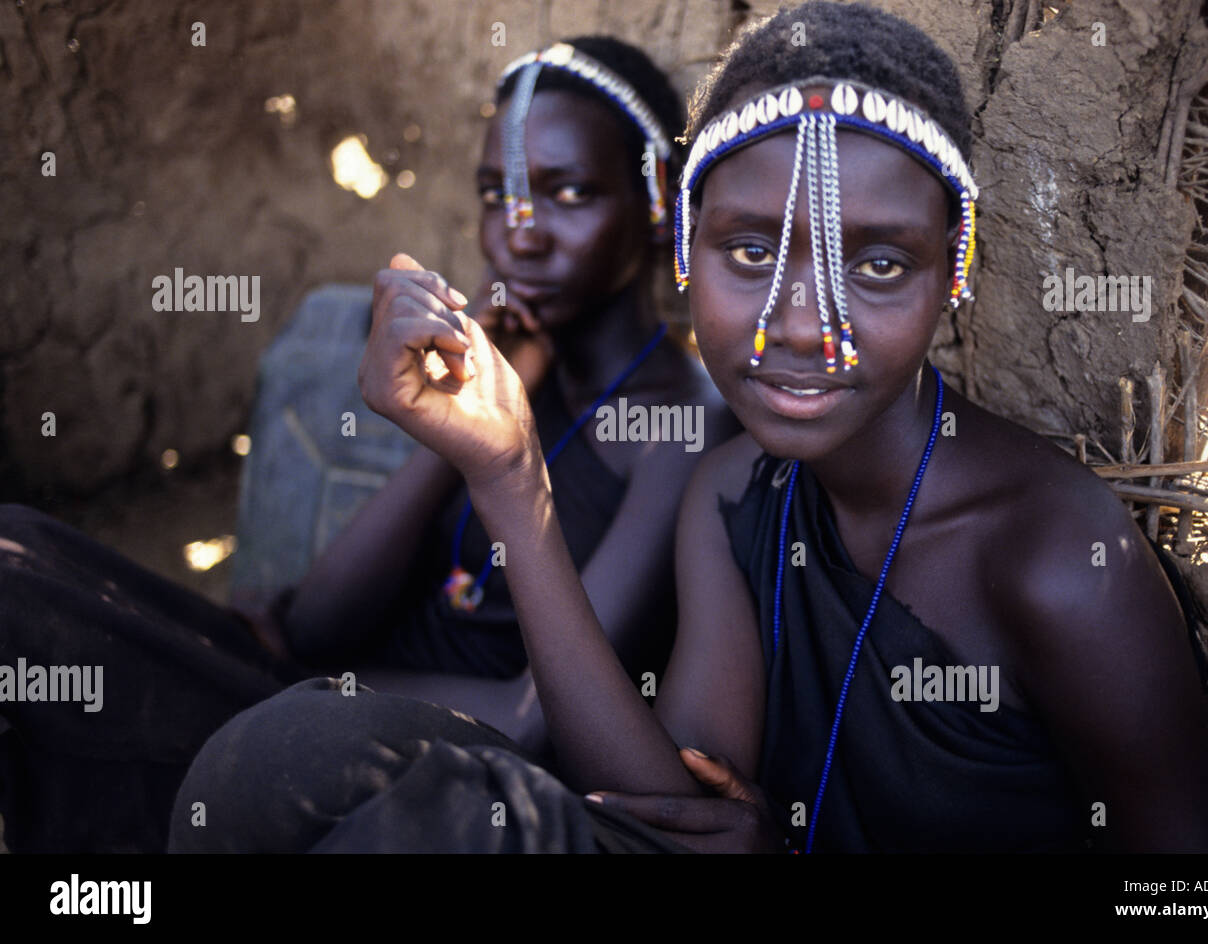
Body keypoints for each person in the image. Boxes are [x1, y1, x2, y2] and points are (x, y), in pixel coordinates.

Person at [171, 2, 1208, 854]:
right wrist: (511, 481)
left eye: (875, 264)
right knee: (288, 755)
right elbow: (663, 804)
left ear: (951, 274)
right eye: (746, 252)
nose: (799, 327)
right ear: (684, 250)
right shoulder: (731, 497)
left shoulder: (1058, 555)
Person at [0, 35, 730, 852]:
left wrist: (313, 693)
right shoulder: (515, 371)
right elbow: (315, 627)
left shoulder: (680, 431)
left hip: (408, 761)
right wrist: (456, 428)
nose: (519, 236)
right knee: (17, 557)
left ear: (658, 197)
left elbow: (534, 722)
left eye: (567, 192)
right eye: (497, 193)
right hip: (312, 701)